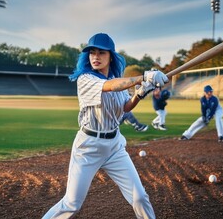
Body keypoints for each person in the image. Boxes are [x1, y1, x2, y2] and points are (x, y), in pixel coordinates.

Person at [42, 33, 168, 219]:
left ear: (111, 56)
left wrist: (140, 94)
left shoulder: (117, 78)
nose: (96, 57)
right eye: (92, 52)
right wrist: (143, 77)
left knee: (139, 197)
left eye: (101, 52)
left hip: (114, 146)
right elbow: (111, 86)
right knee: (71, 204)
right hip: (88, 147)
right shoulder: (86, 78)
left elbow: (125, 107)